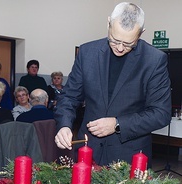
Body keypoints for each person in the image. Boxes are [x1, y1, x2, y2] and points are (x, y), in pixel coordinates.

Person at [54, 2, 171, 169]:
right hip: (88, 150)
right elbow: (69, 97)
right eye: (115, 40)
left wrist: (117, 124)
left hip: (129, 157)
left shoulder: (154, 60)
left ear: (141, 33)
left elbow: (161, 113)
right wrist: (64, 125)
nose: (121, 48)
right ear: (108, 23)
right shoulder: (87, 53)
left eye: (129, 44)